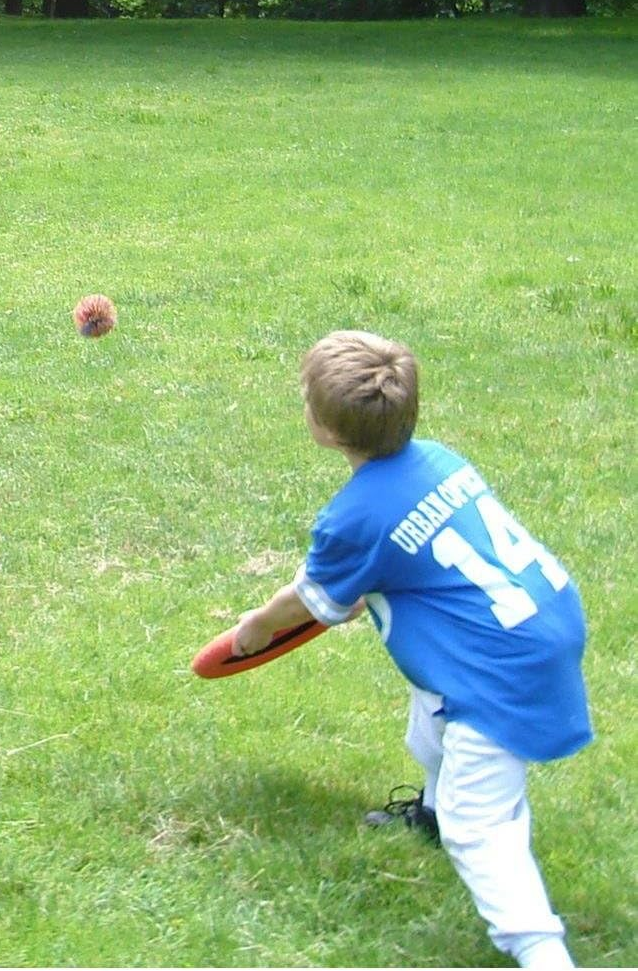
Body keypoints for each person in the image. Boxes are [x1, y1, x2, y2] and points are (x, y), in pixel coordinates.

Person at [234, 330, 591, 971]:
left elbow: (311, 600)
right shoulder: (438, 459)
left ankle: (542, 951)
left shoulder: (354, 518)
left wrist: (257, 626)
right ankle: (429, 811)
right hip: (542, 616)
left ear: (326, 429)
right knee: (431, 723)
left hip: (499, 666)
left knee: (477, 822)